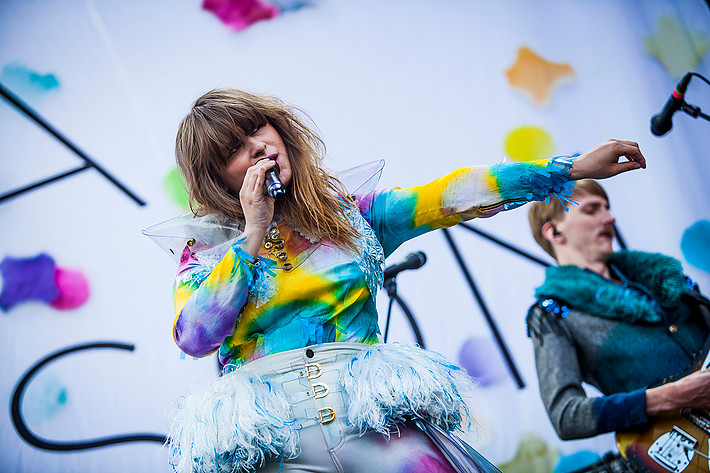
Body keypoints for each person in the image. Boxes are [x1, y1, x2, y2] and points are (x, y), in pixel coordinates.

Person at [148, 88, 646, 473]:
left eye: (258, 128)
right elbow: (194, 337)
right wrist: (253, 232)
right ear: (217, 177)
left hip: (374, 422)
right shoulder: (204, 254)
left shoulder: (352, 214)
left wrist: (569, 168)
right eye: (235, 149)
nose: (258, 145)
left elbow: (450, 195)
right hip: (274, 440)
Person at [526, 179, 710, 471]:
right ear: (554, 230)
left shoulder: (663, 278)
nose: (609, 217)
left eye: (608, 208)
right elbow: (566, 416)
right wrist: (672, 395)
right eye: (591, 210)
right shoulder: (553, 314)